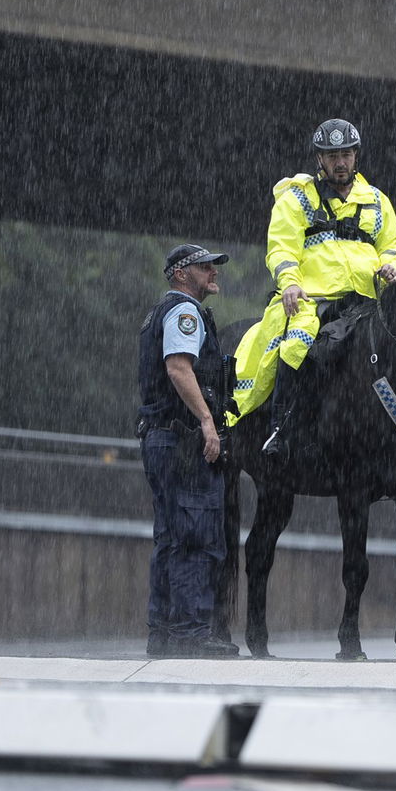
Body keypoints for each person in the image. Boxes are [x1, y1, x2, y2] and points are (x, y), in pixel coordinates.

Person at [229, 118, 396, 457]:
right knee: (298, 342)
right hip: (313, 298)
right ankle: (280, 430)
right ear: (319, 159)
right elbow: (281, 249)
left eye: (346, 155)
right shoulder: (296, 199)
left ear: (356, 156)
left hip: (370, 299)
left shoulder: (377, 200)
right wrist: (290, 284)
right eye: (332, 156)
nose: (340, 163)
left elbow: (393, 245)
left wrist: (392, 265)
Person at [136, 243, 239, 658]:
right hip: (183, 443)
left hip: (161, 438)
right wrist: (207, 422)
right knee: (196, 538)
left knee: (170, 538)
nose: (213, 272)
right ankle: (190, 634)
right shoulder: (185, 312)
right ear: (181, 274)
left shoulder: (158, 313)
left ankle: (162, 634)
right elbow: (178, 367)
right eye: (204, 267)